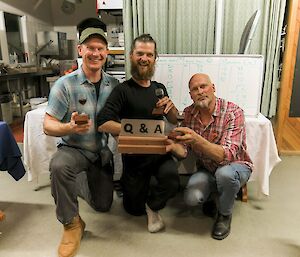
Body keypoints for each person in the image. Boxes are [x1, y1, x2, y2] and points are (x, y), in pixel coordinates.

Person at [97, 34, 186, 233]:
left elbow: (172, 119)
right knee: (133, 210)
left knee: (172, 181)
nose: (144, 58)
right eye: (140, 54)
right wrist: (137, 130)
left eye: (149, 54)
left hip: (159, 154)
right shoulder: (122, 90)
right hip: (134, 158)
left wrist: (171, 108)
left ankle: (152, 206)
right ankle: (138, 196)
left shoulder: (159, 89)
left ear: (155, 58)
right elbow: (103, 123)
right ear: (131, 56)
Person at [43, 27, 119, 257]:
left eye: (100, 48)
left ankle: (75, 183)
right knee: (59, 166)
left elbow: (123, 120)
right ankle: (72, 224)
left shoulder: (114, 86)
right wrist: (68, 127)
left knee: (103, 205)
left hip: (101, 153)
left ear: (106, 52)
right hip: (74, 149)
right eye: (90, 48)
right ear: (80, 50)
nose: (95, 53)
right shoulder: (64, 84)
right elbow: (48, 125)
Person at [173, 73, 252, 240]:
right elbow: (185, 151)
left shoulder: (233, 112)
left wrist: (197, 139)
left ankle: (224, 215)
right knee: (191, 199)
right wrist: (173, 147)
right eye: (195, 89)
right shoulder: (189, 113)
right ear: (191, 95)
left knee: (224, 174)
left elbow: (227, 155)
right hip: (208, 168)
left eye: (203, 86)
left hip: (236, 166)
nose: (200, 91)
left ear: (213, 88)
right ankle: (213, 194)